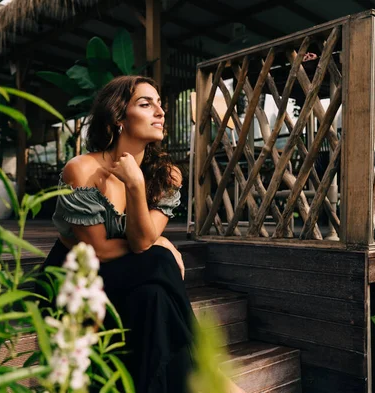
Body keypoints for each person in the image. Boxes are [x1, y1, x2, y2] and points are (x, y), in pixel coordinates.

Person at [42, 75, 244, 393]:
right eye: (145, 104)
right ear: (118, 117)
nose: (160, 111)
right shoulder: (82, 169)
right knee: (161, 259)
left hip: (132, 279)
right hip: (78, 280)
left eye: (159, 104)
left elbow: (140, 242)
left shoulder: (166, 175)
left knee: (155, 299)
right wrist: (160, 244)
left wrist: (136, 185)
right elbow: (101, 252)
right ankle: (212, 376)